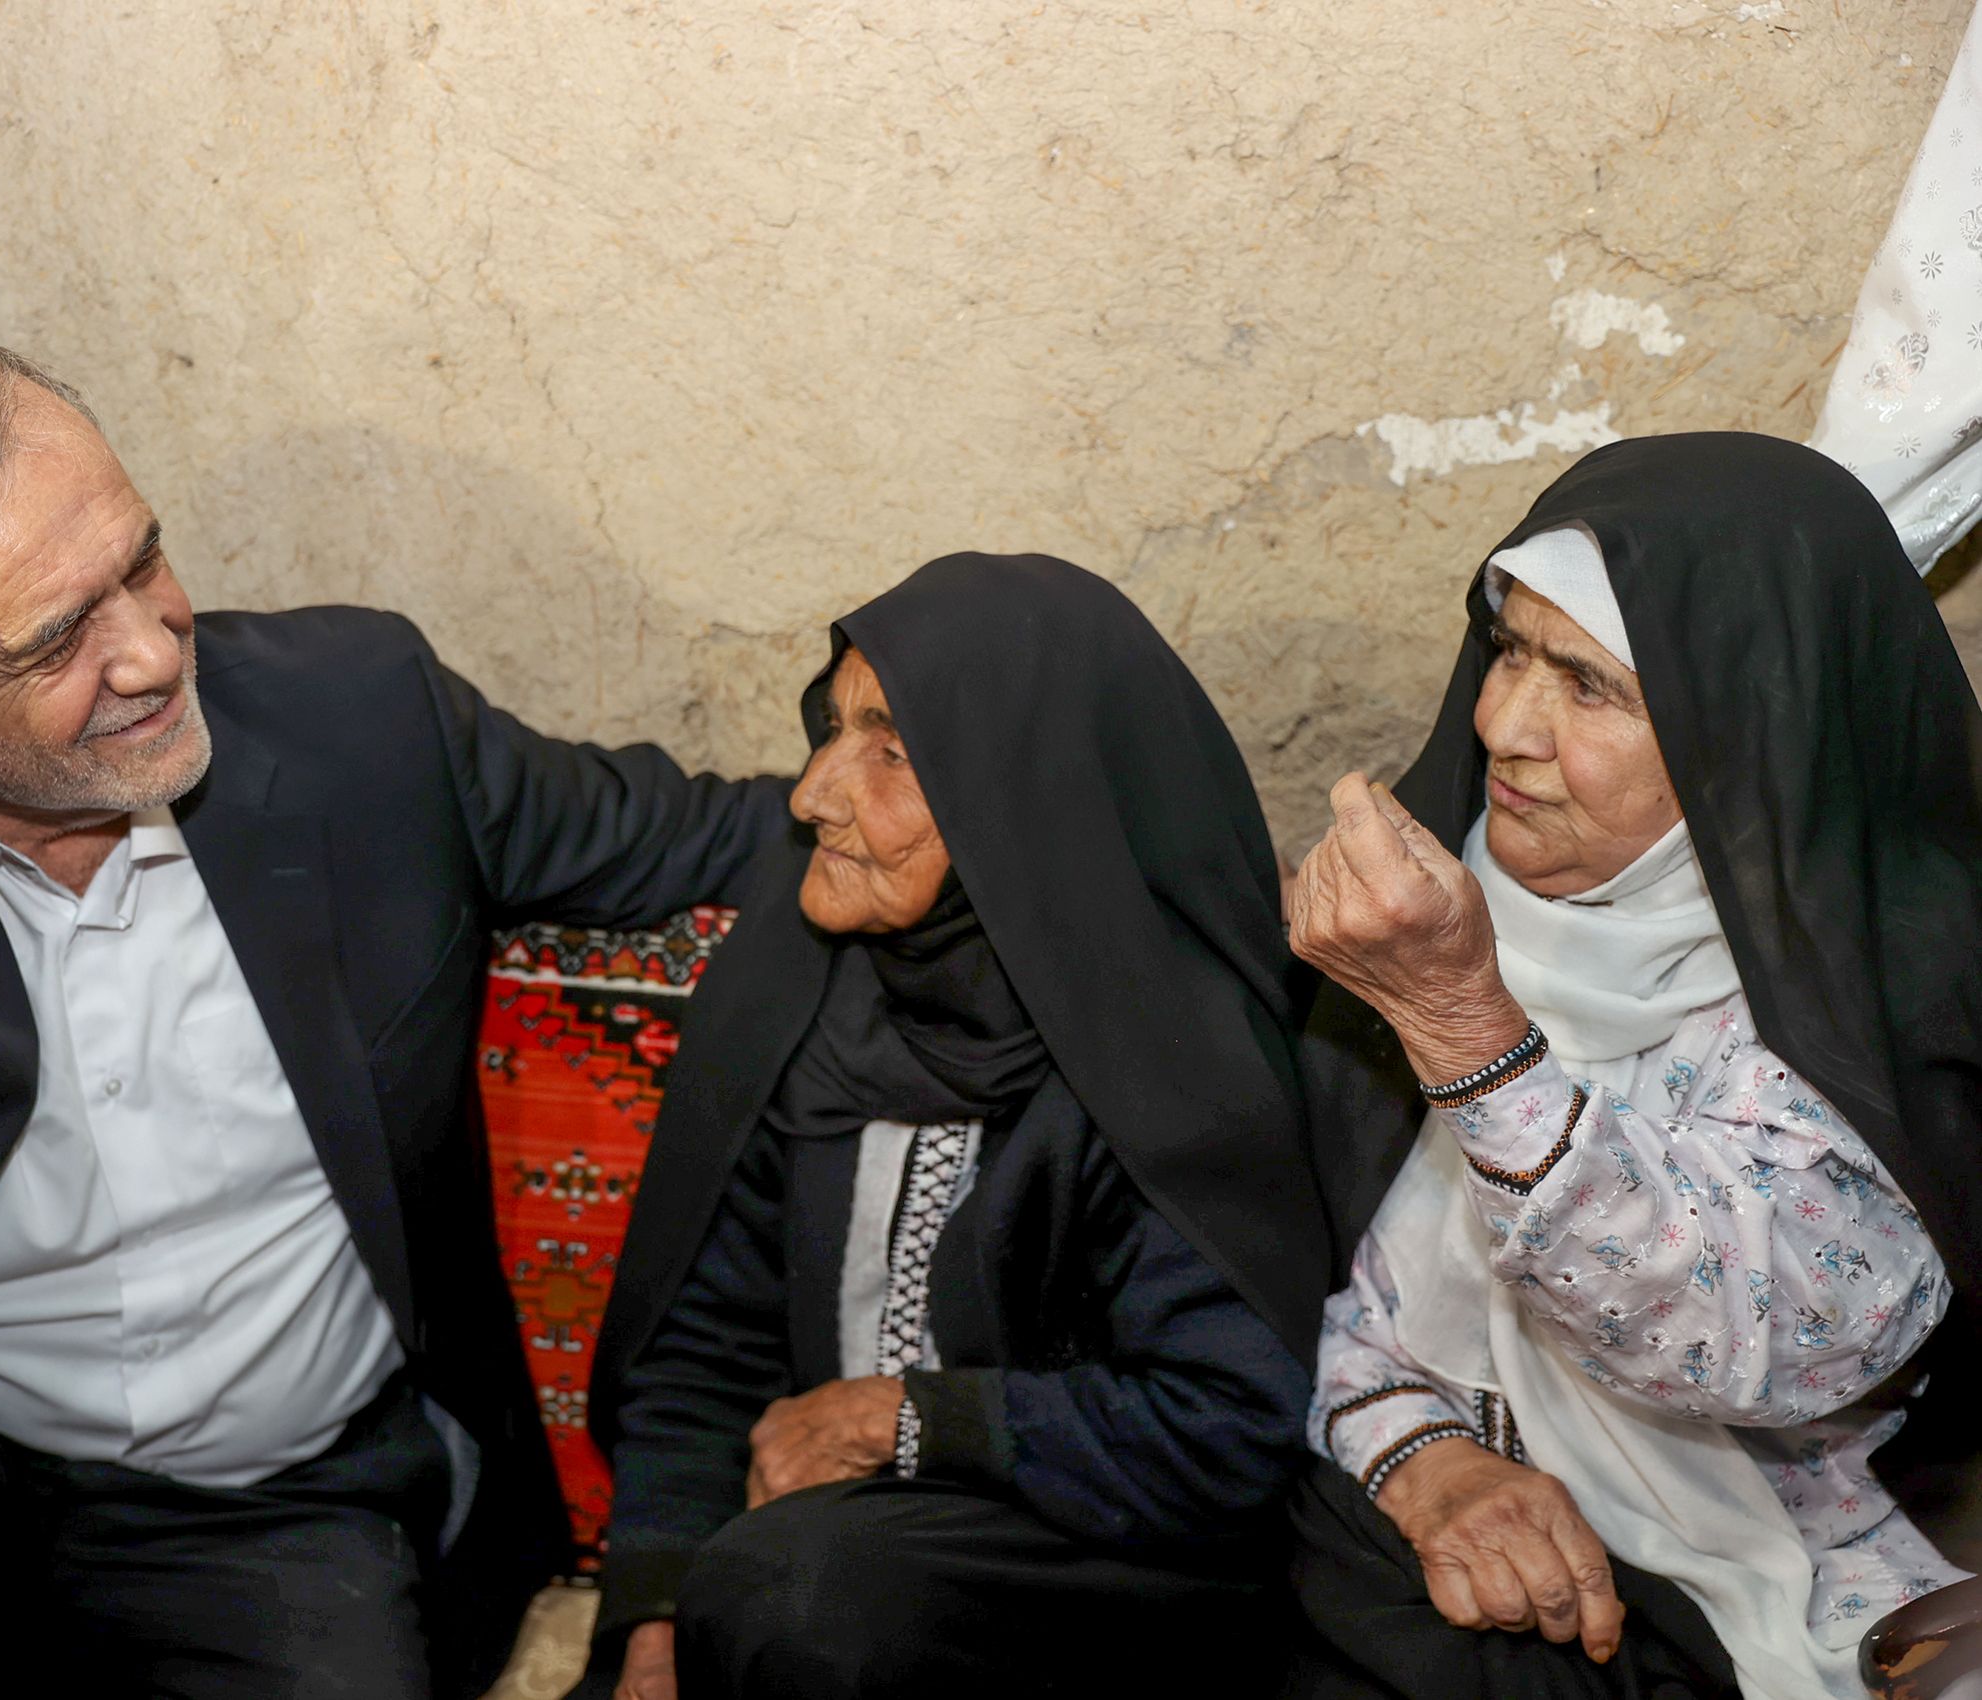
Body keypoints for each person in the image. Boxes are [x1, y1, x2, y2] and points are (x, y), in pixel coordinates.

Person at [0, 334, 791, 1699]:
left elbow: (734, 839)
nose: (150, 652)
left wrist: (990, 788)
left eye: (139, 563)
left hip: (270, 1507)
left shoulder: (356, 722)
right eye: (54, 638)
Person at [1284, 432, 1982, 1700]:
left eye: (1591, 686)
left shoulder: (1883, 1000)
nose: (1503, 722)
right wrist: (1434, 1462)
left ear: (1747, 725)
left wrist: (1464, 1030)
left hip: (1759, 1581)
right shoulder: (1457, 902)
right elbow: (1331, 1311)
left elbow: (1743, 1342)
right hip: (1425, 1545)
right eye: (1509, 648)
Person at [582, 554, 1333, 1700]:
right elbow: (705, 1343)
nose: (814, 792)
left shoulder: (1166, 1053)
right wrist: (652, 1613)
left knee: (805, 1595)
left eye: (889, 749)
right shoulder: (796, 983)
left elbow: (1229, 1429)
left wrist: (919, 1420)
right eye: (830, 729)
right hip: (814, 1571)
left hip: (1106, 1571)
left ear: (1018, 801)